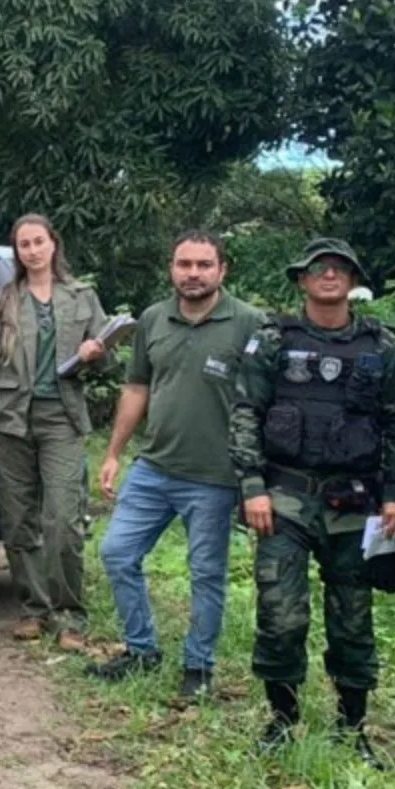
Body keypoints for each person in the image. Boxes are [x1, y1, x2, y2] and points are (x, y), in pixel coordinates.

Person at [230, 239, 395, 762]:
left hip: (355, 503)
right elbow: (246, 409)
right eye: (319, 268)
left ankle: (352, 726)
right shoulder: (273, 339)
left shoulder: (380, 347)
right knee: (281, 614)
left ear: (353, 280)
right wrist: (252, 488)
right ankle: (281, 719)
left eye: (340, 269)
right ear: (302, 280)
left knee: (353, 618)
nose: (329, 275)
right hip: (284, 496)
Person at [89, 231, 266, 698]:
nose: (193, 273)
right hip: (154, 466)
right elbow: (136, 387)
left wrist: (256, 479)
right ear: (171, 268)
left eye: (203, 265)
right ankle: (141, 649)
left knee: (206, 572)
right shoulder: (154, 319)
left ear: (222, 270)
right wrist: (113, 452)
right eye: (184, 264)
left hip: (213, 476)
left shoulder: (249, 323)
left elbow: (268, 401)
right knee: (116, 552)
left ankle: (199, 667)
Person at [0, 213, 117, 647]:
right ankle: (34, 608)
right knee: (17, 522)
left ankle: (70, 615)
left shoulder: (82, 297)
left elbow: (109, 360)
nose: (32, 251)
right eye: (23, 245)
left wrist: (96, 352)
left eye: (38, 242)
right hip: (10, 418)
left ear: (54, 243)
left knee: (63, 520)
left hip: (62, 419)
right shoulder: (1, 301)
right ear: (16, 252)